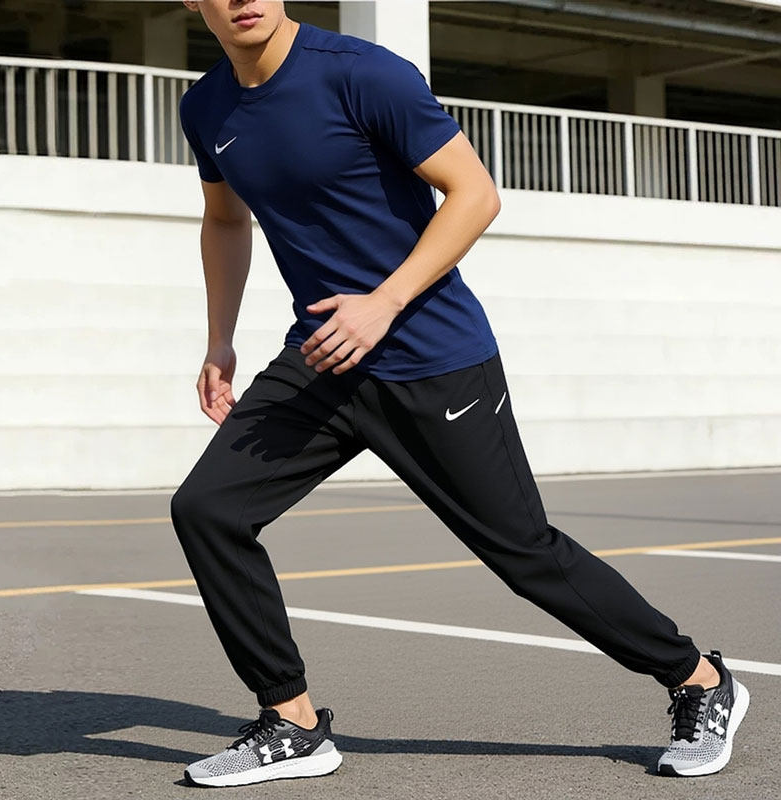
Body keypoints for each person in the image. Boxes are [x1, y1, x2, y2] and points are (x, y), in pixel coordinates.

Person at [170, 0, 749, 788]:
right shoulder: (206, 107)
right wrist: (220, 340)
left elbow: (474, 193)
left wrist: (384, 302)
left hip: (431, 358)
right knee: (209, 509)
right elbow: (224, 220)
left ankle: (700, 680)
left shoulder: (362, 74)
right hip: (324, 355)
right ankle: (292, 722)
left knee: (524, 553)